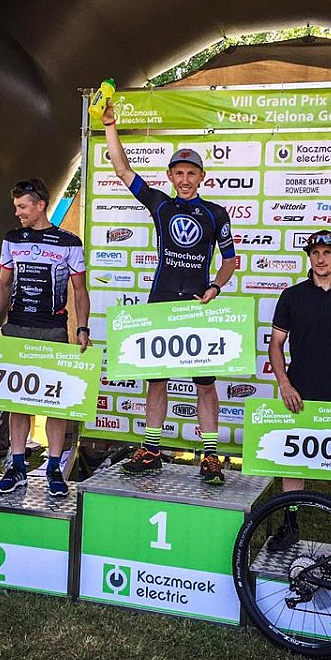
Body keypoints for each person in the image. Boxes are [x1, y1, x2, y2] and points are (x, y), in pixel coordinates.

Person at [101, 101, 237, 485]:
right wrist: (110, 125)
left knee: (205, 383)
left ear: (202, 177)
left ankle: (210, 456)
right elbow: (122, 170)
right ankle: (151, 450)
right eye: (179, 172)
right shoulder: (160, 204)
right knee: (156, 380)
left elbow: (229, 261)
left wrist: (215, 287)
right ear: (170, 175)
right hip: (161, 302)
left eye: (192, 173)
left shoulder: (216, 214)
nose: (185, 179)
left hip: (197, 304)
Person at [0, 178, 90, 498]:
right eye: (16, 207)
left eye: (22, 207)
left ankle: (54, 467)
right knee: (17, 399)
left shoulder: (69, 242)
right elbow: (3, 285)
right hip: (16, 326)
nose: (18, 213)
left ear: (41, 205)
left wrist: (82, 328)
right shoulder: (12, 238)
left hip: (52, 329)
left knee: (56, 401)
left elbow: (80, 290)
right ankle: (16, 466)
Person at [267, 230, 331, 550]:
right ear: (309, 257)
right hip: (298, 392)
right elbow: (276, 344)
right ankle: (290, 524)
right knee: (293, 460)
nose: (321, 258)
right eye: (315, 252)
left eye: (328, 252)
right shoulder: (292, 296)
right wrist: (284, 384)